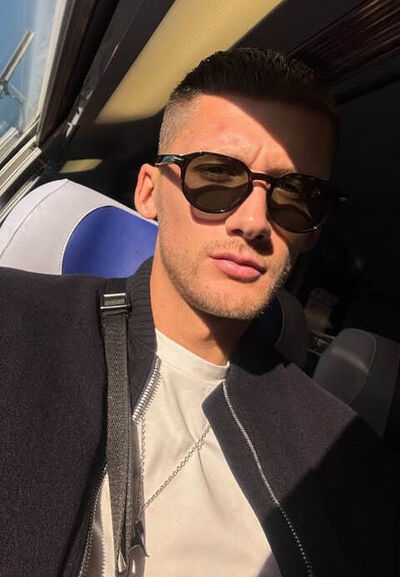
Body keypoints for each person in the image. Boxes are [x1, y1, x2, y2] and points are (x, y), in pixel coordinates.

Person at [0, 48, 395, 577]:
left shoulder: (342, 461)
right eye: (216, 175)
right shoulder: (15, 322)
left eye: (296, 196)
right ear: (149, 193)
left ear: (313, 231)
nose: (254, 221)